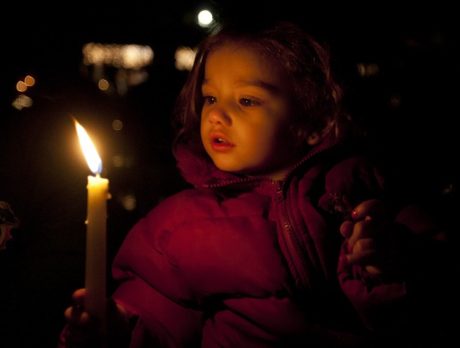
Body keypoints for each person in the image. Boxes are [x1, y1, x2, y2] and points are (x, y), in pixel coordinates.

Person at [58, 19, 454, 347]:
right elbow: (157, 317)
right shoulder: (179, 226)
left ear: (313, 120)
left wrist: (391, 260)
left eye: (246, 101)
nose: (216, 116)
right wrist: (119, 325)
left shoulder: (366, 189)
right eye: (211, 98)